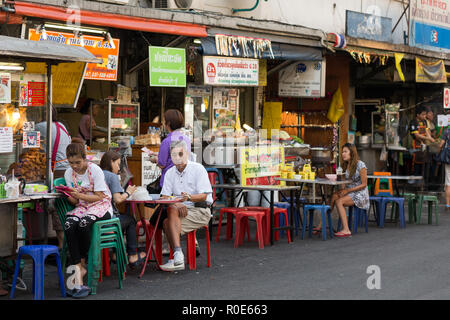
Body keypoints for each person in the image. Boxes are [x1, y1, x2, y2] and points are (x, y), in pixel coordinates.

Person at [64, 142, 112, 298]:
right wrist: (69, 195)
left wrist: (79, 196)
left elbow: (99, 196)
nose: (75, 166)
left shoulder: (95, 170)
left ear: (85, 159)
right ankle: (78, 267)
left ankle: (83, 261)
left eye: (78, 162)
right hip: (83, 206)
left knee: (84, 223)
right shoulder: (68, 174)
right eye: (71, 163)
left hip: (101, 205)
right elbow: (75, 203)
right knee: (69, 224)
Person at [158, 140, 213, 271]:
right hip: (180, 211)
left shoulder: (197, 168)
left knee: (168, 222)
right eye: (174, 155)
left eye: (180, 154)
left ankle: (177, 257)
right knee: (169, 214)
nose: (178, 158)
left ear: (187, 153)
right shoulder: (170, 172)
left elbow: (204, 195)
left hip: (200, 209)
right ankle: (178, 257)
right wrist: (177, 203)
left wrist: (188, 197)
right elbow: (164, 196)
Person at [99, 150, 147, 267]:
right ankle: (132, 255)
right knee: (130, 220)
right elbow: (118, 199)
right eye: (118, 164)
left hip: (95, 219)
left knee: (122, 217)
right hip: (107, 222)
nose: (119, 167)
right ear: (111, 162)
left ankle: (116, 254)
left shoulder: (97, 174)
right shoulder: (112, 176)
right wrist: (128, 192)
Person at [313, 143, 370, 238]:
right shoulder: (346, 165)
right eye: (342, 152)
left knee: (339, 201)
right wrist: (340, 185)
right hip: (350, 191)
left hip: (361, 193)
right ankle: (321, 225)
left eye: (345, 152)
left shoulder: (361, 165)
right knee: (334, 196)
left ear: (352, 153)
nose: (343, 154)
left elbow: (364, 184)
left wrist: (347, 191)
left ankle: (346, 230)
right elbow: (344, 182)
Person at [35, 106, 71, 249]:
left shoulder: (41, 126)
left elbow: (24, 136)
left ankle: (62, 247)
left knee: (56, 207)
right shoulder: (61, 125)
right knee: (64, 206)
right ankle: (65, 247)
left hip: (56, 171)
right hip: (67, 169)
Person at [409, 106, 435, 176]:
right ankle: (414, 180)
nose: (424, 116)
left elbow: (426, 132)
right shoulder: (413, 122)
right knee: (416, 164)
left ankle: (422, 181)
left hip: (423, 145)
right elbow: (417, 135)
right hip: (415, 145)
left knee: (423, 163)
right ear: (418, 115)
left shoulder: (424, 122)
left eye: (425, 114)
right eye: (423, 114)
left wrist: (431, 139)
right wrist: (428, 139)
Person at [439, 127, 450, 210]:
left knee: (448, 183)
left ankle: (447, 205)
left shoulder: (447, 131)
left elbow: (440, 145)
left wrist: (438, 154)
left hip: (448, 160)